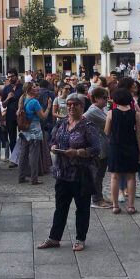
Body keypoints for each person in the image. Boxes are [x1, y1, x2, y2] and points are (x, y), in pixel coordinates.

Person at [37, 94, 100, 252]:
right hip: (62, 173)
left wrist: (78, 152)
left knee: (82, 208)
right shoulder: (62, 123)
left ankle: (80, 238)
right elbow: (52, 140)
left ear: (82, 106)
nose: (71, 107)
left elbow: (96, 149)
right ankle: (54, 238)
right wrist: (53, 146)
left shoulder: (88, 126)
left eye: (76, 104)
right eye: (69, 104)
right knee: (60, 207)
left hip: (81, 174)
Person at [105, 88, 140, 214]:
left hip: (115, 146)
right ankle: (131, 206)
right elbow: (139, 135)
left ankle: (115, 206)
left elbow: (107, 132)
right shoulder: (135, 114)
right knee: (131, 177)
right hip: (131, 146)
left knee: (114, 176)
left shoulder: (111, 113)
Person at [17, 82, 52, 185]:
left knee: (23, 154)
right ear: (29, 90)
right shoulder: (34, 102)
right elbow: (43, 117)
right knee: (34, 155)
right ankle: (34, 178)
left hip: (24, 130)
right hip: (34, 130)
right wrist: (49, 106)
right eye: (34, 87)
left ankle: (21, 177)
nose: (36, 88)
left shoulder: (23, 98)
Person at [84, 86, 111, 209]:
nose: (107, 100)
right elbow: (110, 122)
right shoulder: (93, 110)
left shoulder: (100, 109)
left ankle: (99, 196)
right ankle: (96, 199)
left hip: (103, 145)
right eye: (104, 98)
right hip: (98, 146)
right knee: (97, 174)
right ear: (96, 98)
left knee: (100, 174)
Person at [1, 69, 23, 160]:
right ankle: (14, 159)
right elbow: (3, 104)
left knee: (24, 136)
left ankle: (23, 157)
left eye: (12, 76)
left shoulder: (22, 87)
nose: (10, 78)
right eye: (8, 77)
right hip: (10, 116)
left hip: (21, 116)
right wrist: (8, 98)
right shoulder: (6, 88)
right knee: (12, 138)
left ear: (16, 76)